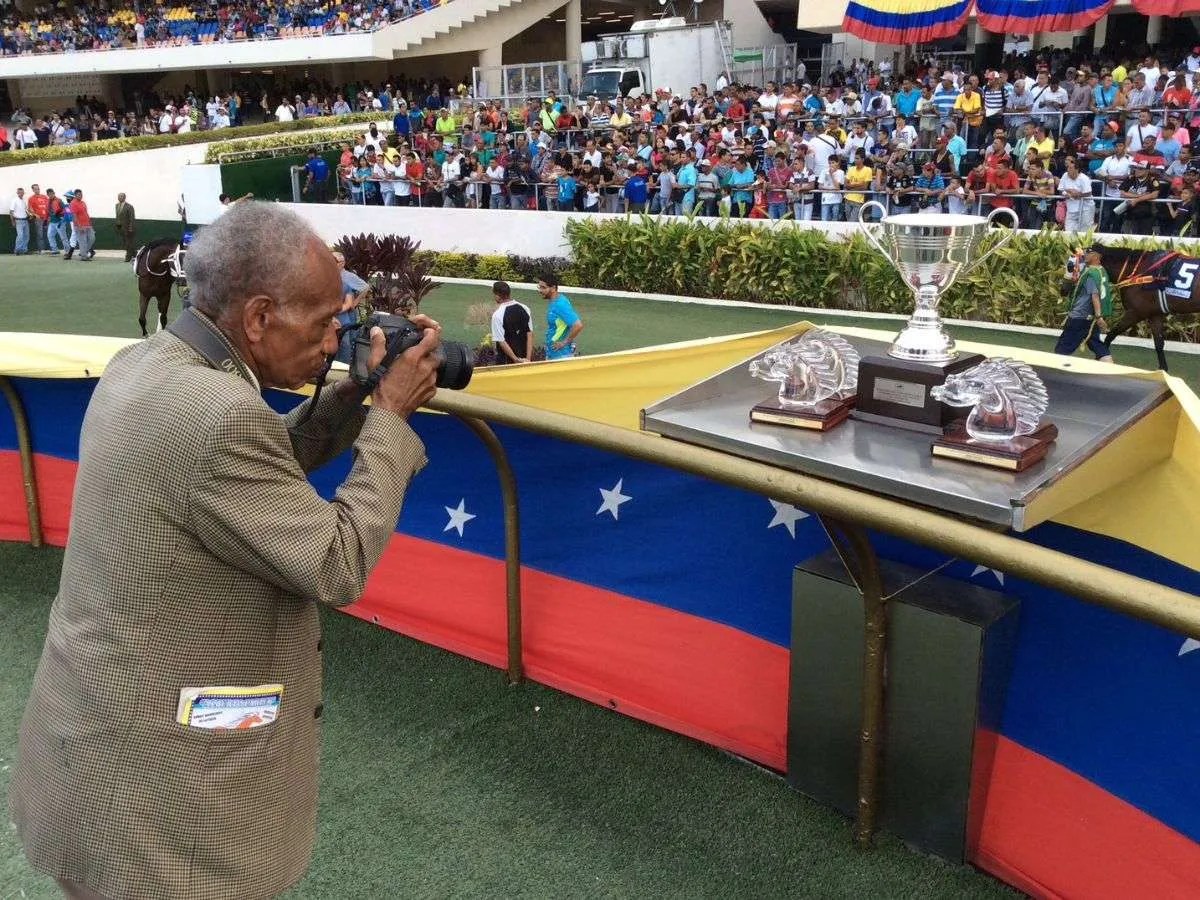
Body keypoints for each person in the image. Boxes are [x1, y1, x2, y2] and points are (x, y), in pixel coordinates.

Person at [8, 202, 442, 900]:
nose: (336, 339)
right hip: (156, 814)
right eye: (326, 320)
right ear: (260, 317)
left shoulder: (145, 363)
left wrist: (356, 388)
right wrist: (389, 419)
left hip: (94, 756)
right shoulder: (222, 415)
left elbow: (255, 462)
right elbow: (337, 562)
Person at [1055, 244, 1114, 362]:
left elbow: (1095, 295)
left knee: (1061, 350)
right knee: (1098, 346)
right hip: (1090, 319)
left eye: (1088, 253)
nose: (1085, 255)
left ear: (1096, 256)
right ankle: (1110, 368)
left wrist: (1099, 316)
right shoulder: (1101, 271)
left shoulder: (1091, 274)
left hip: (1080, 316)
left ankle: (1056, 375)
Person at [539, 274, 582, 360]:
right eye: (539, 287)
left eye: (543, 287)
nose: (540, 290)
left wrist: (564, 342)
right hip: (554, 352)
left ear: (553, 288)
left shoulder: (560, 305)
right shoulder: (556, 301)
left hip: (561, 354)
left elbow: (578, 325)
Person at [490, 281, 533, 364]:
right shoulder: (525, 308)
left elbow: (501, 341)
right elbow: (530, 334)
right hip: (525, 358)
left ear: (497, 296)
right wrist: (528, 359)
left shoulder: (497, 315)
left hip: (506, 361)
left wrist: (516, 360)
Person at [68, 188, 94, 261]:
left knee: (92, 238)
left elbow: (86, 213)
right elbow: (74, 216)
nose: (80, 196)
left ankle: (83, 252)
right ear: (75, 195)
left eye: (81, 194)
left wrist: (90, 223)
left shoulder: (83, 203)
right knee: (83, 241)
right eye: (79, 195)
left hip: (88, 225)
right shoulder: (73, 203)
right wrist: (79, 226)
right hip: (80, 226)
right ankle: (84, 257)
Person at [114, 192, 137, 262]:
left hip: (128, 228)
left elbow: (132, 218)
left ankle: (128, 257)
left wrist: (131, 227)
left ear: (124, 198)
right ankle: (135, 254)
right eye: (118, 196)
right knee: (125, 243)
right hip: (120, 228)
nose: (119, 198)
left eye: (121, 196)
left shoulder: (129, 206)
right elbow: (118, 217)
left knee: (128, 243)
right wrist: (118, 227)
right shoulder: (117, 205)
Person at [9, 186, 29, 255]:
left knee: (26, 236)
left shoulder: (24, 201)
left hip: (25, 220)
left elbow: (26, 210)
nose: (21, 193)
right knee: (20, 236)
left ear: (23, 193)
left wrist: (30, 215)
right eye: (20, 192)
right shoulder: (14, 200)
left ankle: (24, 250)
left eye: (22, 192)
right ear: (17, 193)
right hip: (18, 221)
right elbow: (11, 211)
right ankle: (17, 250)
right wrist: (13, 221)